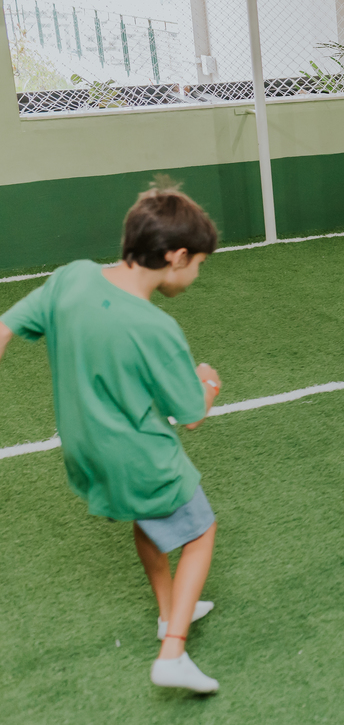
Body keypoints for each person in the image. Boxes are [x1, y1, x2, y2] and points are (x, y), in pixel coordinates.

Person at [0, 181, 224, 693]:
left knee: (148, 518)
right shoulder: (155, 328)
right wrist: (208, 381)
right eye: (198, 265)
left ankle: (170, 613)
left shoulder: (71, 278)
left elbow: (5, 329)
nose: (195, 275)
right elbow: (191, 414)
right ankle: (173, 653)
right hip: (138, 455)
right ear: (176, 256)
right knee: (200, 532)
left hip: (83, 451)